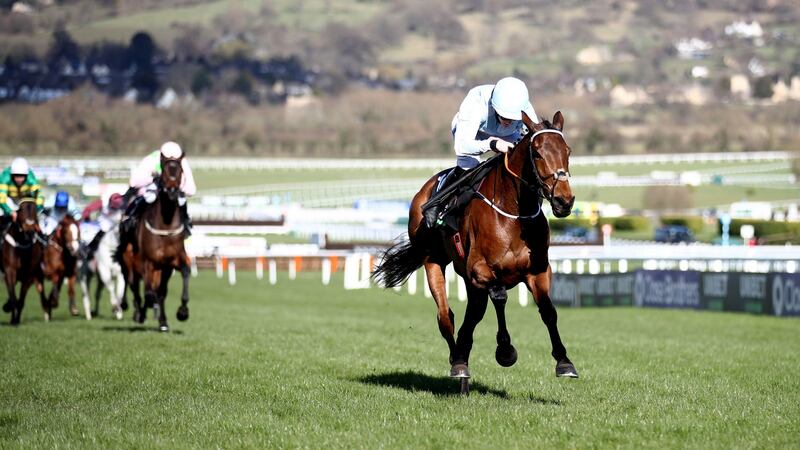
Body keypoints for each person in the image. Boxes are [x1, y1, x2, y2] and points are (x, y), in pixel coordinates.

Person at [423, 77, 539, 228]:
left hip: (507, 135)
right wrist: (493, 143)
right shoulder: (476, 103)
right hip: (473, 132)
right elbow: (462, 146)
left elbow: (536, 141)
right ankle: (439, 204)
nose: (508, 121)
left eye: (512, 118)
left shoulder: (525, 109)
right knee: (469, 168)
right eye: (504, 116)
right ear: (495, 106)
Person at [119, 141, 196, 250]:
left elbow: (191, 190)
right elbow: (133, 182)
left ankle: (186, 224)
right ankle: (130, 219)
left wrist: (176, 185)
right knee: (149, 197)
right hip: (152, 190)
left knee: (181, 199)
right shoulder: (151, 159)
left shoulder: (182, 161)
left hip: (173, 193)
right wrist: (153, 178)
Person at [0, 157, 44, 232]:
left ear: (26, 175)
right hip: (9, 199)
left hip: (24, 199)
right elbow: (2, 199)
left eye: (22, 176)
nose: (19, 179)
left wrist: (36, 210)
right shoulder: (5, 177)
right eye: (16, 175)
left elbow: (39, 196)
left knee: (39, 215)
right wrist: (10, 211)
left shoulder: (31, 179)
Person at [82, 193, 124, 262]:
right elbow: (89, 209)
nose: (114, 208)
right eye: (113, 206)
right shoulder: (102, 202)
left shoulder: (123, 205)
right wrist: (86, 216)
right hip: (103, 223)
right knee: (95, 235)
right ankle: (89, 251)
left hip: (116, 225)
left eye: (116, 206)